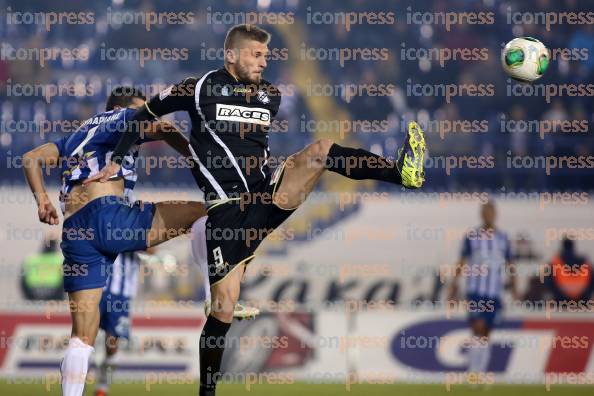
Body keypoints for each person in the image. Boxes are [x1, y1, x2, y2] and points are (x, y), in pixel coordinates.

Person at [88, 24, 426, 396]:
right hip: (227, 213)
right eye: (256, 54)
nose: (264, 62)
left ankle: (402, 173)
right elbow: (143, 114)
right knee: (222, 309)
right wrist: (117, 160)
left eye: (266, 55)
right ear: (231, 54)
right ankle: (207, 391)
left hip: (265, 196)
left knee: (320, 151)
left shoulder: (270, 96)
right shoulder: (198, 87)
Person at [22, 87, 208, 396]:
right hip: (108, 217)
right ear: (126, 107)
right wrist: (192, 157)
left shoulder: (74, 136)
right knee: (205, 212)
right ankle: (211, 293)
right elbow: (164, 127)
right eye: (142, 109)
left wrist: (42, 201)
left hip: (76, 232)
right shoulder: (123, 116)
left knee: (81, 336)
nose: (147, 113)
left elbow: (30, 159)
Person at [447, 201, 519, 382]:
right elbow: (462, 261)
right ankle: (473, 371)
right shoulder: (471, 237)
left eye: (491, 212)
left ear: (495, 214)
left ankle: (481, 372)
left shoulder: (503, 238)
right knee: (477, 327)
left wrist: (515, 287)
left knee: (486, 332)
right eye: (485, 212)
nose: (488, 215)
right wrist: (453, 283)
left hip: (495, 292)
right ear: (481, 214)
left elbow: (510, 264)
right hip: (475, 291)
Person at [94, 251, 142, 396]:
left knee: (112, 345)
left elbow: (151, 248)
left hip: (121, 296)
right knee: (84, 339)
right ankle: (75, 387)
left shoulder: (138, 228)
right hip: (97, 288)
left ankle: (102, 387)